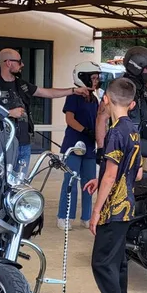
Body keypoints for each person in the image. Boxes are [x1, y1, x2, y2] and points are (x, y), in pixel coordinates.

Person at [83, 77, 142, 293]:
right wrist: (105, 181)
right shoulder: (132, 129)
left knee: (101, 264)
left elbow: (109, 175)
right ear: (131, 104)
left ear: (105, 99)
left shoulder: (115, 133)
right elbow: (136, 173)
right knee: (116, 265)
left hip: (113, 210)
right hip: (127, 206)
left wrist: (95, 211)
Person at [0, 48, 90, 174]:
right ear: (8, 63)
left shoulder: (23, 84)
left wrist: (73, 90)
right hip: (3, 145)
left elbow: (47, 92)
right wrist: (10, 113)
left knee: (19, 185)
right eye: (19, 61)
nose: (22, 64)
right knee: (0, 183)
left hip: (24, 144)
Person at [94, 46, 147, 176]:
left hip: (145, 148)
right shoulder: (119, 87)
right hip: (123, 148)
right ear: (137, 67)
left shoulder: (144, 90)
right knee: (120, 188)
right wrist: (101, 148)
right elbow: (102, 117)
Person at [57, 62, 101, 230]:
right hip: (74, 144)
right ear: (83, 78)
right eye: (94, 78)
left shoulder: (95, 99)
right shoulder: (73, 97)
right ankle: (64, 216)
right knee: (71, 181)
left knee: (89, 182)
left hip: (90, 146)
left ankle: (86, 216)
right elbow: (70, 119)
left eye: (97, 78)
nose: (96, 81)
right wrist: (85, 130)